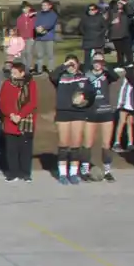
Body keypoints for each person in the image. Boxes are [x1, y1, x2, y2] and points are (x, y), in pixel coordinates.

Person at [51, 54, 93, 185]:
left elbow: (91, 94)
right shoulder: (60, 77)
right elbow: (52, 76)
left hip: (78, 113)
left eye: (73, 64)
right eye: (68, 64)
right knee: (63, 143)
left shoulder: (83, 78)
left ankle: (73, 173)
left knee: (76, 143)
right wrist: (64, 65)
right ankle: (63, 173)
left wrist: (85, 100)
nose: (71, 66)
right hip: (63, 112)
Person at [0, 61, 38, 182]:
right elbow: (2, 102)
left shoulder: (30, 84)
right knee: (12, 149)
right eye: (12, 73)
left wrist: (20, 115)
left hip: (26, 121)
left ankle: (25, 173)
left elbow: (33, 102)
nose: (12, 75)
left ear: (22, 73)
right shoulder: (6, 84)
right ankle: (13, 172)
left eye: (15, 73)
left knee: (25, 149)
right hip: (10, 121)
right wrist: (11, 114)